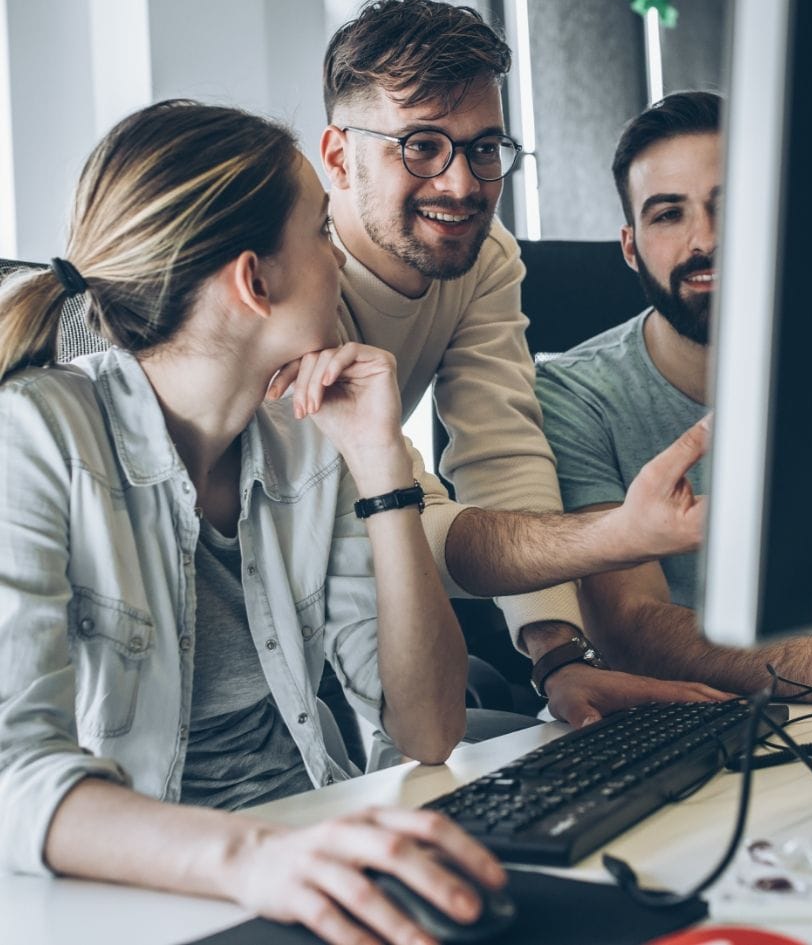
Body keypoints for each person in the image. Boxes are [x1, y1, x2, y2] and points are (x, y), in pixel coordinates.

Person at [0, 99, 509, 944]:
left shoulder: (307, 440)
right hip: (153, 897)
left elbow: (426, 728)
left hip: (305, 859)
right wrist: (258, 856)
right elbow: (11, 773)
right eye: (320, 230)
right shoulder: (34, 438)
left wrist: (380, 461)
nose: (339, 255)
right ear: (255, 279)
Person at [314, 0, 722, 727]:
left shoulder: (484, 254)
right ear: (340, 157)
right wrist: (614, 536)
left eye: (483, 147)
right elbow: (394, 515)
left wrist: (558, 657)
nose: (462, 184)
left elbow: (501, 455)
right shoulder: (293, 280)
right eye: (421, 145)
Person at [535, 90, 812, 698]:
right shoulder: (574, 396)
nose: (704, 240)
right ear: (631, 247)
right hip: (707, 721)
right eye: (667, 214)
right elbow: (631, 625)